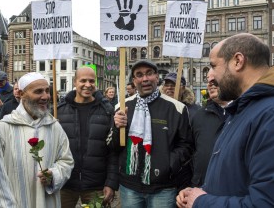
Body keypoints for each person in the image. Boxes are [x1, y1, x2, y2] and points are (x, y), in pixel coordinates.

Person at [177, 33, 274, 207]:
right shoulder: (244, 111)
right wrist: (198, 192)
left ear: (238, 61)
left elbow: (273, 203)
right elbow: (235, 178)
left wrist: (202, 202)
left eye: (213, 66)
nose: (210, 76)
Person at [108, 59, 193, 208]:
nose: (145, 79)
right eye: (139, 75)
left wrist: (169, 164)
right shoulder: (122, 106)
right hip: (130, 187)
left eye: (149, 74)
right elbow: (112, 146)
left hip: (164, 188)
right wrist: (117, 127)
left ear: (157, 77)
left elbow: (186, 145)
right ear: (134, 81)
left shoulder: (177, 108)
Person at [0, 72, 74, 208]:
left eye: (47, 91)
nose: (45, 96)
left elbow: (66, 160)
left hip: (47, 201)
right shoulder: (4, 128)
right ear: (22, 94)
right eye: (38, 91)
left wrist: (54, 175)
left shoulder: (54, 126)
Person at [57, 67, 118, 207]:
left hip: (96, 185)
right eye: (83, 80)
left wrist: (111, 183)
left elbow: (113, 151)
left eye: (91, 81)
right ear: (75, 82)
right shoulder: (59, 111)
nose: (88, 85)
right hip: (65, 184)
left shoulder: (106, 112)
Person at [190, 71, 229, 187]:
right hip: (202, 188)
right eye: (208, 80)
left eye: (215, 78)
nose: (210, 83)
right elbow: (189, 152)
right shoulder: (198, 115)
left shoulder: (244, 112)